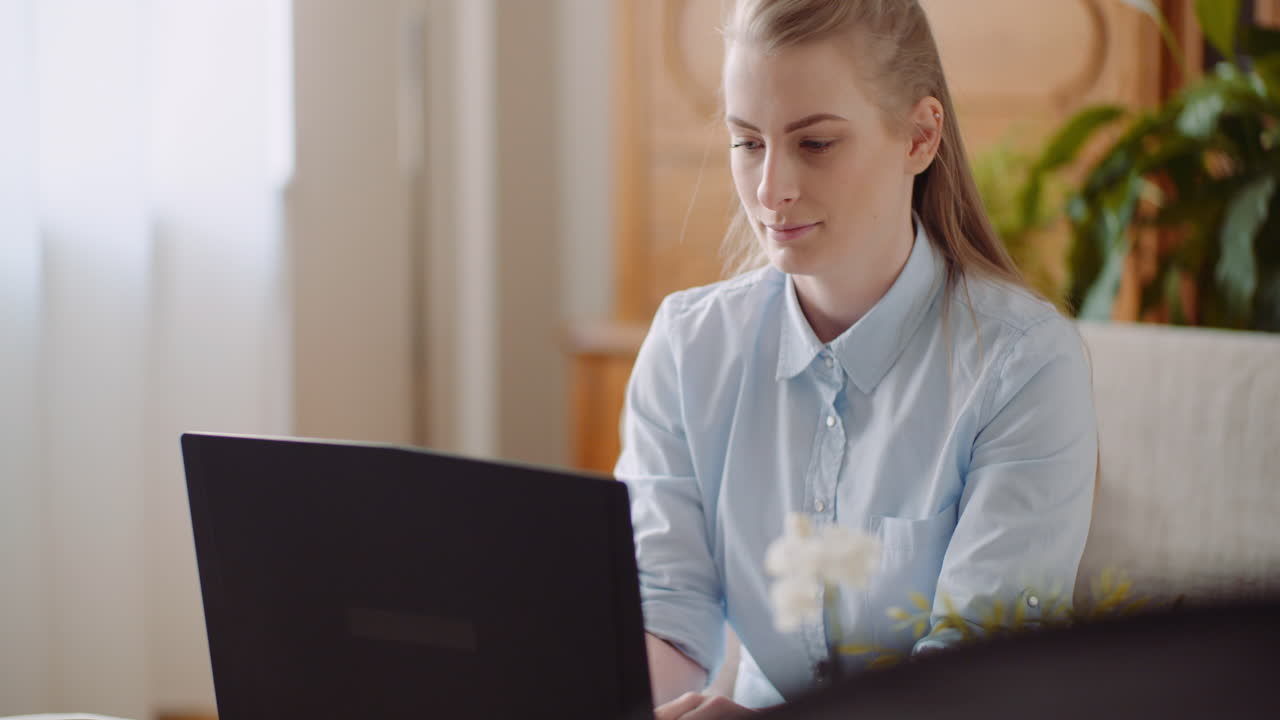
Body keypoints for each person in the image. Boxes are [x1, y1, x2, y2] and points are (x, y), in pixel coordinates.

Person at [614, 1, 1099, 718]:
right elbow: (667, 614)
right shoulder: (688, 348)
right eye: (747, 143)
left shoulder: (1025, 369)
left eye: (814, 144)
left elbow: (980, 683)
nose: (770, 189)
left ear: (920, 135)